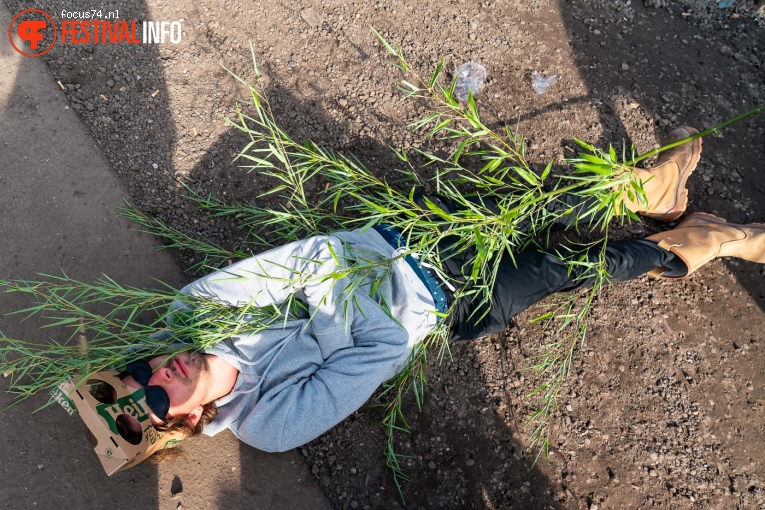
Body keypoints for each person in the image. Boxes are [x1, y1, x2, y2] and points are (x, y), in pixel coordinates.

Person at [123, 127, 765, 453]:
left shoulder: (195, 313)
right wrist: (332, 299)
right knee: (572, 265)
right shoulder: (267, 423)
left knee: (535, 197)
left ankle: (651, 191)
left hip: (395, 238)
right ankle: (707, 242)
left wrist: (335, 301)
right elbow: (377, 354)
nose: (161, 369)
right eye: (157, 391)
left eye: (142, 366)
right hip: (444, 302)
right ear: (181, 423)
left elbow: (313, 256)